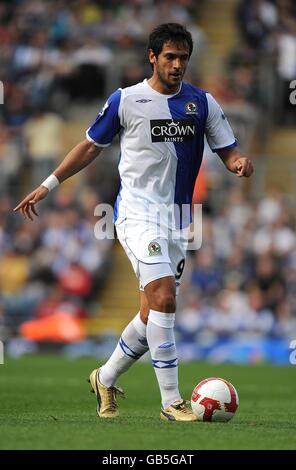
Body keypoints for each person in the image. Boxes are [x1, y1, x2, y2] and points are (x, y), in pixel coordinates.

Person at [14, 23, 254, 422]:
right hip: (135, 214)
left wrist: (239, 164)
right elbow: (91, 145)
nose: (177, 65)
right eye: (170, 57)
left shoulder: (203, 103)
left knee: (151, 316)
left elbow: (227, 150)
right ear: (153, 57)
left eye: (183, 58)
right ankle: (171, 402)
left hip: (178, 221)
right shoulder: (126, 100)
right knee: (163, 295)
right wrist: (48, 184)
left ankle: (104, 379)